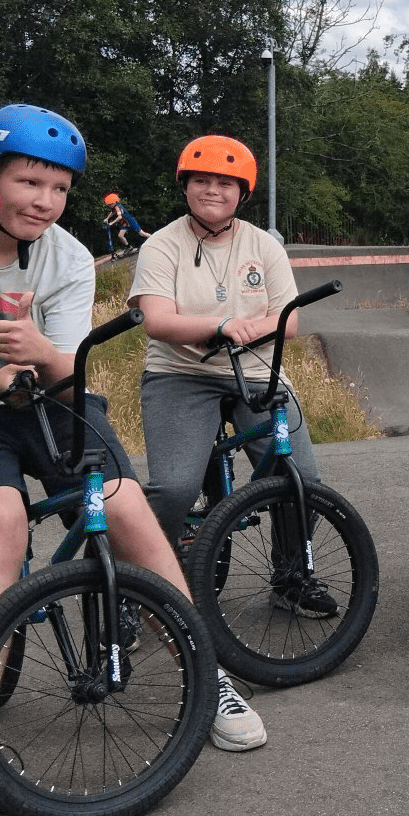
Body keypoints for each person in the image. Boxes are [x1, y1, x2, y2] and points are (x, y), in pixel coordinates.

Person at [0, 106, 263, 816]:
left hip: (48, 397)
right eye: (28, 181)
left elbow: (68, 372)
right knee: (0, 520)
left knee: (127, 504)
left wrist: (42, 353)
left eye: (58, 188)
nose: (43, 201)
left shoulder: (69, 257)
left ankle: (207, 677)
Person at [128, 134, 325, 630]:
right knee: (173, 488)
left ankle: (291, 576)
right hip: (181, 373)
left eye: (224, 183)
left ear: (243, 192)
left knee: (304, 480)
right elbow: (156, 321)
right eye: (201, 180)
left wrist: (249, 330)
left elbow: (289, 319)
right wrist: (219, 327)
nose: (212, 190)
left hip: (256, 371)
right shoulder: (161, 245)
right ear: (185, 186)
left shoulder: (264, 246)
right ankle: (136, 591)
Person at [101, 191, 151, 255]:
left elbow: (119, 217)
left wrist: (111, 223)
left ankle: (154, 238)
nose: (109, 206)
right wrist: (107, 218)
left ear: (113, 203)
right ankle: (129, 247)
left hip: (130, 221)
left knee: (141, 233)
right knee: (120, 236)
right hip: (125, 223)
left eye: (109, 204)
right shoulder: (115, 206)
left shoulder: (117, 207)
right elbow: (113, 212)